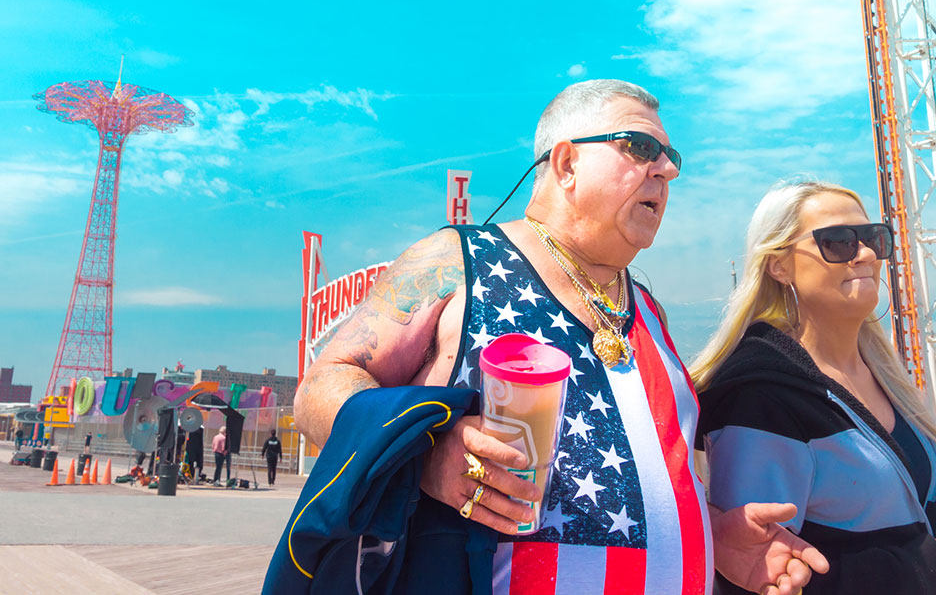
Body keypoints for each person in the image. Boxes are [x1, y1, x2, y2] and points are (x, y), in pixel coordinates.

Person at [294, 80, 827, 594]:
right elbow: (321, 387)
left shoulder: (648, 310)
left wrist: (714, 537)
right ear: (567, 163)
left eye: (670, 158)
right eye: (641, 147)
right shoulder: (460, 261)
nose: (666, 170)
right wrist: (423, 452)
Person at [691, 180, 936, 594]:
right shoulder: (764, 397)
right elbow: (764, 578)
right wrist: (926, 574)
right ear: (779, 265)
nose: (868, 254)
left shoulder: (887, 377)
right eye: (838, 242)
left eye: (874, 238)